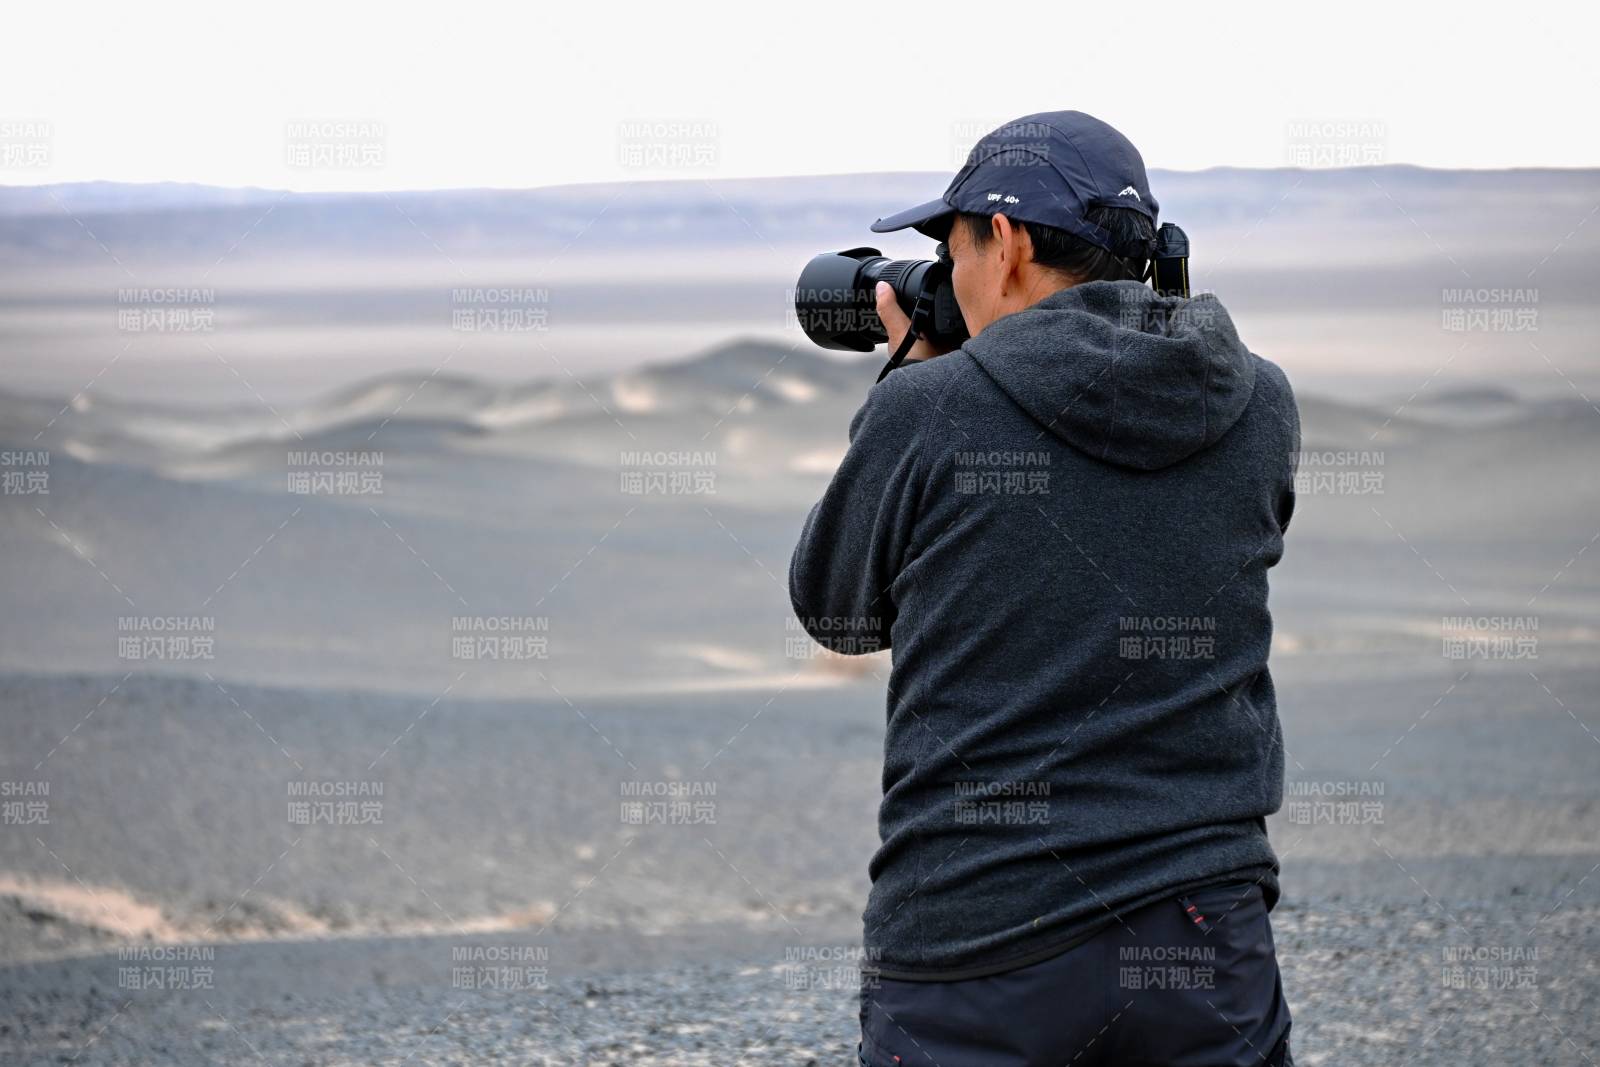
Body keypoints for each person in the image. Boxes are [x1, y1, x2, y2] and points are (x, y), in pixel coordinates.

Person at [788, 111, 1299, 1066]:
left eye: (952, 245)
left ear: (1009, 241)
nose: (946, 275)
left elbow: (836, 611)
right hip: (1204, 926)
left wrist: (910, 386)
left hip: (980, 937)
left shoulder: (930, 408)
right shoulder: (1261, 399)